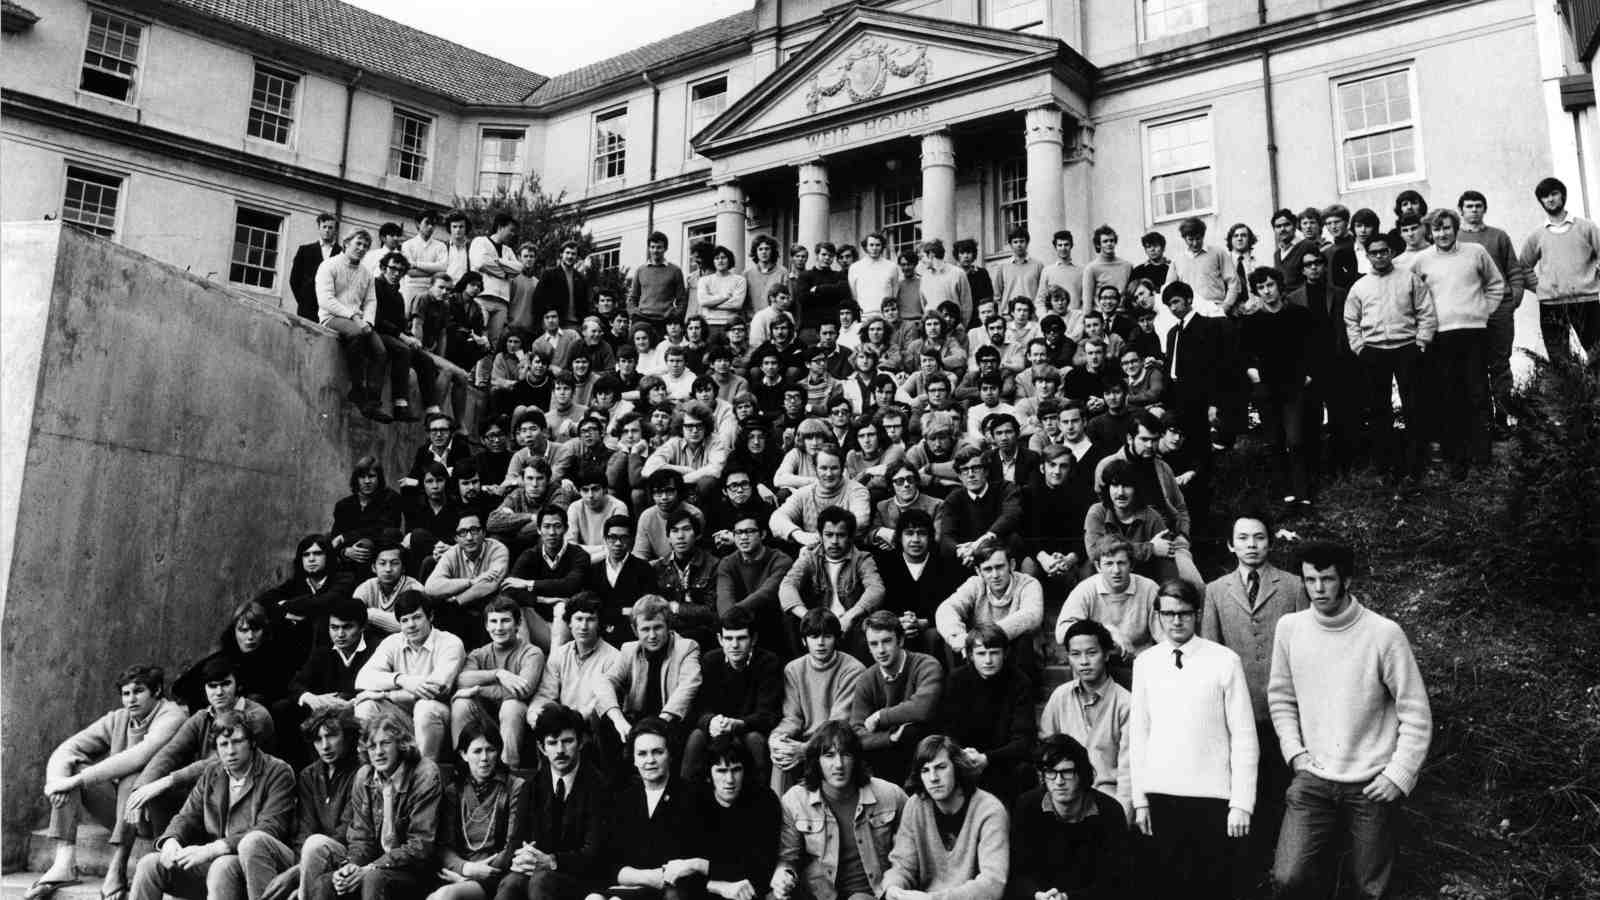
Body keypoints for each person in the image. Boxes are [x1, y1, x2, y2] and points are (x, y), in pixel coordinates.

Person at [1269, 542, 1434, 900]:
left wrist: (1398, 774)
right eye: (1310, 579)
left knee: (1369, 888)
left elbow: (1416, 711)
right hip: (1313, 778)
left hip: (1370, 782)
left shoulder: (1383, 634)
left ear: (1347, 580)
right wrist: (1295, 753)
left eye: (1327, 579)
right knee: (1287, 877)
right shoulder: (1290, 628)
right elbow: (1281, 697)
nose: (1318, 589)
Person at [1130, 580, 1258, 900]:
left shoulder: (1224, 660)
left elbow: (1244, 736)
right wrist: (1140, 799)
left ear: (1197, 614)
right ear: (1157, 615)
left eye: (1184, 613)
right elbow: (1139, 734)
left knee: (1210, 887)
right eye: (1168, 613)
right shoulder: (1145, 663)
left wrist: (1241, 803)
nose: (1176, 621)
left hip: (1212, 799)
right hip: (1161, 797)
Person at [31, 665, 187, 900]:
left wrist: (75, 781)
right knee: (71, 767)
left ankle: (118, 866)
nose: (131, 699)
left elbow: (139, 756)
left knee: (131, 776)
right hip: (127, 815)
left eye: (139, 691)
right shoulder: (119, 719)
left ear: (157, 691)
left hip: (162, 815)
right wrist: (57, 782)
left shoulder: (172, 716)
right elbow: (68, 749)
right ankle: (64, 862)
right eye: (125, 693)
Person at [128, 711, 295, 900]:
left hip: (259, 864)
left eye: (238, 742)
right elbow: (188, 815)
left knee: (222, 865)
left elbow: (271, 828)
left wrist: (212, 849)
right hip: (218, 862)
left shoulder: (278, 772)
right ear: (216, 748)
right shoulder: (212, 773)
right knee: (150, 864)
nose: (231, 751)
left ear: (252, 743)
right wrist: (171, 840)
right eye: (224, 744)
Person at [124, 658, 275, 837]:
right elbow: (171, 752)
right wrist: (141, 788)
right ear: (204, 688)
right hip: (207, 794)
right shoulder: (202, 718)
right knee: (156, 795)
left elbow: (221, 762)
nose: (219, 692)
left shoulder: (256, 716)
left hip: (247, 793)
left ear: (237, 685)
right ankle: (166, 852)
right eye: (212, 686)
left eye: (225, 684)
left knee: (164, 787)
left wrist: (167, 781)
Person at [303, 711, 443, 900]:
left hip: (415, 871)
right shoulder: (364, 776)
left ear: (401, 745)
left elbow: (420, 846)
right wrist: (351, 867)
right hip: (375, 866)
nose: (378, 752)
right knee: (326, 883)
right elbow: (361, 838)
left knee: (373, 878)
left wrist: (370, 868)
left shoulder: (424, 774)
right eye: (372, 746)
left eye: (385, 743)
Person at [1412, 208, 1506, 476]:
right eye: (1437, 229)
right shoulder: (1421, 260)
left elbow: (1496, 284)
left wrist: (1482, 311)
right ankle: (1456, 458)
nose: (1442, 234)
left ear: (1456, 229)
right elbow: (1412, 293)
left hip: (1474, 333)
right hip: (1440, 336)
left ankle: (1483, 457)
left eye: (1447, 228)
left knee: (1477, 393)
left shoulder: (1475, 252)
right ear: (1430, 233)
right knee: (1448, 395)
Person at [237, 706, 362, 900]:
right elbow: (304, 829)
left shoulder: (361, 773)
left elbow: (346, 833)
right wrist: (300, 869)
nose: (325, 746)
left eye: (331, 736)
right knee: (252, 842)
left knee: (315, 844)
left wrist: (295, 874)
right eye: (318, 739)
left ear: (347, 736)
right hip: (305, 855)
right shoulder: (309, 776)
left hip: (343, 856)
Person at [773, 721, 907, 900]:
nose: (838, 764)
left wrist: (895, 886)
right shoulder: (795, 800)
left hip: (871, 894)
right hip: (821, 894)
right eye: (829, 755)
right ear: (816, 761)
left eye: (846, 754)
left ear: (856, 758)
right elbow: (788, 858)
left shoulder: (890, 795)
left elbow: (909, 853)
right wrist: (783, 875)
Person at [1345, 232, 1436, 495]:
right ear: (1367, 255)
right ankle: (1386, 467)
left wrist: (1422, 340)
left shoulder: (1408, 278)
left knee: (1413, 407)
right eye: (1374, 252)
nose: (1379, 256)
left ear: (1391, 252)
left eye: (1384, 251)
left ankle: (1416, 465)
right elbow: (1351, 320)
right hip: (1374, 351)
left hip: (1407, 349)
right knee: (1379, 410)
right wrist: (1359, 346)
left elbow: (1425, 311)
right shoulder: (1360, 287)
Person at [498, 705, 609, 900]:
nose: (560, 750)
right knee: (510, 884)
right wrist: (519, 858)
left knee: (541, 881)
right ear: (542, 747)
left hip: (584, 879)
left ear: (581, 742)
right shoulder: (531, 787)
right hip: (538, 872)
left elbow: (594, 853)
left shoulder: (598, 786)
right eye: (552, 743)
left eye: (567, 741)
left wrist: (552, 861)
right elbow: (516, 841)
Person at [880, 735, 1009, 900]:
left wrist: (936, 899)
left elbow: (993, 883)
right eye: (925, 770)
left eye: (941, 767)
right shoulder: (915, 805)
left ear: (957, 767)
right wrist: (893, 887)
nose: (933, 778)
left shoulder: (990, 810)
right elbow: (903, 866)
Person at [1007, 734, 1129, 900]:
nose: (1059, 781)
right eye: (1051, 772)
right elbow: (1017, 872)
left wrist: (1067, 897)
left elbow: (1115, 881)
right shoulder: (1027, 807)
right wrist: (1036, 895)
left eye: (1067, 772)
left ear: (1081, 774)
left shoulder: (1109, 811)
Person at [601, 717, 709, 900]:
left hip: (675, 893)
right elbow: (610, 864)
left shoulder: (691, 796)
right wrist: (648, 877)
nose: (650, 760)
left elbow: (690, 863)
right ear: (633, 759)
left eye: (657, 752)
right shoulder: (622, 799)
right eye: (642, 754)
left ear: (670, 754)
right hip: (629, 890)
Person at [352, 590, 466, 759]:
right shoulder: (392, 642)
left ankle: (424, 770)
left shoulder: (450, 643)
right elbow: (363, 678)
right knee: (366, 706)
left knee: (424, 707)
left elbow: (435, 689)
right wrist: (401, 679)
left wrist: (384, 694)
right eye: (404, 620)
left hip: (438, 719)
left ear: (431, 617)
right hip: (403, 718)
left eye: (417, 617)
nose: (411, 625)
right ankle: (371, 769)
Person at [594, 596, 704, 766]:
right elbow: (604, 682)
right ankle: (614, 783)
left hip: (671, 722)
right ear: (635, 630)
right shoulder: (629, 650)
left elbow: (688, 686)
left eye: (658, 628)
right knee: (601, 714)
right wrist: (618, 720)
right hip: (637, 723)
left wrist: (658, 725)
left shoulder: (687, 647)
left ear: (668, 626)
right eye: (645, 629)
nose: (652, 635)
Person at [1039, 620, 1132, 819]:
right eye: (1075, 654)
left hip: (1108, 799)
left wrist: (1123, 815)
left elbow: (1128, 770)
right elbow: (1044, 751)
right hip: (1063, 795)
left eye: (1091, 653)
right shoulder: (1060, 697)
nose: (1084, 661)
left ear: (1106, 654)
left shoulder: (1125, 703)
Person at [768, 610, 867, 792]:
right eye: (813, 637)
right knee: (782, 756)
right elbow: (792, 718)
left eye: (827, 636)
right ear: (804, 641)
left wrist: (806, 749)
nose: (820, 643)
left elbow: (837, 724)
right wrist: (777, 739)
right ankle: (777, 814)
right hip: (805, 743)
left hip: (839, 744)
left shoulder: (853, 670)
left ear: (836, 639)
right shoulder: (794, 669)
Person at [1242, 266, 1318, 502]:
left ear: (1279, 285)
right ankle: (1284, 491)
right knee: (1274, 441)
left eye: (1270, 285)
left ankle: (1302, 492)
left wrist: (1308, 374)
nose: (1266, 291)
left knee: (1295, 440)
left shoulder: (1299, 314)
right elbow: (1243, 354)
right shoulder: (1252, 321)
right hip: (1266, 388)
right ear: (1256, 291)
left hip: (1293, 386)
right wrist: (1253, 373)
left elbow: (1313, 348)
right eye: (1261, 287)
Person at [684, 607, 784, 782]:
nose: (734, 645)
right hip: (717, 728)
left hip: (749, 729)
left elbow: (768, 715)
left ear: (753, 639)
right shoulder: (710, 661)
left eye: (741, 638)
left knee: (755, 741)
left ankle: (762, 799)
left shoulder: (768, 663)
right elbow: (697, 708)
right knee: (696, 737)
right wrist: (710, 721)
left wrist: (738, 724)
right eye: (728, 638)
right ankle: (686, 799)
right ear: (720, 640)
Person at [1454, 191, 1527, 432]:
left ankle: (1503, 418)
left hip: (1499, 310)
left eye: (1478, 206)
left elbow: (1514, 269)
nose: (1474, 210)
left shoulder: (1499, 236)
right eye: (1469, 206)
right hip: (1470, 310)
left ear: (1484, 209)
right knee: (1474, 365)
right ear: (1461, 210)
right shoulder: (1455, 239)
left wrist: (1513, 298)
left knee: (1500, 363)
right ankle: (1482, 421)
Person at [432, 723, 530, 899]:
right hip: (461, 873)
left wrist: (480, 872)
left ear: (499, 752)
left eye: (490, 750)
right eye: (477, 751)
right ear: (464, 755)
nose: (484, 757)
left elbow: (513, 844)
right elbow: (444, 846)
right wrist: (466, 869)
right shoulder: (454, 791)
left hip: (498, 874)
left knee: (445, 896)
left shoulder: (514, 787)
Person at [936, 626, 1035, 800]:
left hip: (1002, 761)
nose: (988, 660)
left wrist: (987, 758)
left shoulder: (1020, 682)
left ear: (1005, 653)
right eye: (981, 654)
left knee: (1023, 771)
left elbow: (1024, 740)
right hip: (964, 758)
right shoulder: (957, 680)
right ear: (971, 655)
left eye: (994, 653)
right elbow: (948, 729)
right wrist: (963, 756)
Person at [274, 599, 378, 763]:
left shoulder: (376, 650)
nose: (340, 634)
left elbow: (379, 688)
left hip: (358, 710)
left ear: (362, 627)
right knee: (284, 708)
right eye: (334, 627)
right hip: (323, 712)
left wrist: (350, 702)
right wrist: (312, 699)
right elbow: (296, 683)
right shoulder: (323, 650)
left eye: (347, 627)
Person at [1288, 245, 1360, 482]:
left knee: (1341, 416)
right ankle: (1316, 467)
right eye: (1308, 265)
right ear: (1302, 270)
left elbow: (1348, 326)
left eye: (1318, 263)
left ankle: (1343, 464)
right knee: (1311, 418)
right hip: (1309, 367)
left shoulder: (1339, 293)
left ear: (1323, 265)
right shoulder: (1294, 298)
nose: (1314, 268)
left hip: (1336, 363)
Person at [450, 597, 544, 770]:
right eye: (493, 621)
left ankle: (508, 770)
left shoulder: (532, 653)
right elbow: (462, 679)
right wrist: (498, 674)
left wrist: (477, 689)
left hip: (516, 717)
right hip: (485, 713)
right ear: (486, 626)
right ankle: (463, 767)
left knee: (512, 706)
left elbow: (523, 690)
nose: (499, 627)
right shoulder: (479, 654)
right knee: (461, 703)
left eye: (505, 620)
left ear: (517, 623)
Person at [1054, 536, 1162, 687]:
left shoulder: (1149, 588)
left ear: (1131, 565)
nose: (1116, 570)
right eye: (1109, 564)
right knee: (1085, 655)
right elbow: (1061, 632)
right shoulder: (1086, 590)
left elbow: (1165, 635)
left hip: (1140, 665)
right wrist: (1106, 632)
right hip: (1101, 665)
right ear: (1098, 567)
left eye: (1121, 563)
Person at [851, 611, 943, 785]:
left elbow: (923, 708)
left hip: (926, 758)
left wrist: (880, 716)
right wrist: (891, 738)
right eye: (874, 644)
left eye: (887, 641)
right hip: (884, 760)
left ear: (900, 640)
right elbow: (856, 733)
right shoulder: (866, 679)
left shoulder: (926, 665)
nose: (881, 650)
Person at [779, 507, 885, 657]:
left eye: (841, 535)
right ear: (820, 535)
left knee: (869, 621)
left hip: (849, 624)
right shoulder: (810, 557)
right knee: (789, 617)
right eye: (829, 535)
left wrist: (850, 616)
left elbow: (876, 589)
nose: (834, 541)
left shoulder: (862, 559)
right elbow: (787, 586)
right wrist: (808, 617)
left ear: (850, 536)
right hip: (819, 624)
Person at [935, 539, 1043, 671]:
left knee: (1023, 640)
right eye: (988, 569)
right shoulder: (975, 584)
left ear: (1012, 565)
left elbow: (1031, 616)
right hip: (983, 655)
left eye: (1000, 567)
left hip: (1016, 657)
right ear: (979, 572)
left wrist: (982, 637)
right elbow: (946, 609)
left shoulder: (1028, 584)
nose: (995, 575)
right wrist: (958, 637)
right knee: (955, 642)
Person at [316, 230, 391, 421]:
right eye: (358, 244)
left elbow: (370, 301)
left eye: (366, 246)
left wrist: (368, 321)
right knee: (357, 334)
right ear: (346, 243)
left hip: (359, 320)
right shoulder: (329, 265)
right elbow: (325, 300)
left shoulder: (366, 273)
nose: (361, 249)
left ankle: (372, 403)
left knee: (380, 351)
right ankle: (357, 389)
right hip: (332, 317)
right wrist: (354, 317)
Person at [501, 507, 587, 652]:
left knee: (561, 607)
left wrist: (528, 584)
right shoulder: (530, 555)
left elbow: (571, 585)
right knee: (512, 606)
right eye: (546, 527)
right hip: (539, 624)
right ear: (539, 530)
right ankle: (525, 657)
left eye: (557, 526)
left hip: (570, 627)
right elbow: (509, 589)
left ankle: (554, 666)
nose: (552, 533)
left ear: (566, 528)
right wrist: (540, 599)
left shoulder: (579, 555)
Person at [425, 513, 510, 647]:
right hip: (462, 614)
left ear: (483, 533)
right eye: (463, 532)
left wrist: (457, 601)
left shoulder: (497, 549)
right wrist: (471, 582)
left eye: (474, 530)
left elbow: (490, 584)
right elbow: (431, 587)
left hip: (486, 608)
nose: (469, 537)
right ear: (456, 538)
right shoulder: (452, 553)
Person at [582, 514, 659, 644]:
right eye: (612, 537)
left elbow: (646, 608)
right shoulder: (593, 570)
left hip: (632, 636)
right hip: (599, 635)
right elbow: (590, 606)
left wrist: (610, 611)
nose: (618, 543)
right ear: (605, 539)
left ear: (631, 540)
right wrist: (623, 610)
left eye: (623, 538)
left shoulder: (643, 568)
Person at [628, 232, 689, 330]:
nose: (655, 250)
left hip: (665, 320)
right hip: (642, 319)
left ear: (665, 248)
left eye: (659, 247)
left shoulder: (675, 271)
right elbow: (632, 298)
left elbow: (682, 299)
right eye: (652, 247)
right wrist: (634, 313)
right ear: (648, 248)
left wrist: (675, 315)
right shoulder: (640, 270)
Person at [292, 213, 342, 321]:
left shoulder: (342, 254)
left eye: (330, 227)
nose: (327, 230)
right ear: (319, 228)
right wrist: (303, 301)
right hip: (307, 308)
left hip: (332, 311)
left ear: (336, 231)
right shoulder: (304, 250)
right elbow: (294, 280)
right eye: (324, 227)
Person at [532, 240, 591, 328]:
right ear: (561, 254)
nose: (570, 256)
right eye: (567, 253)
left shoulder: (581, 279)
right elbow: (538, 300)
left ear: (577, 257)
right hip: (555, 324)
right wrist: (543, 323)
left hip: (576, 325)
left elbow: (585, 304)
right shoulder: (549, 274)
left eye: (573, 254)